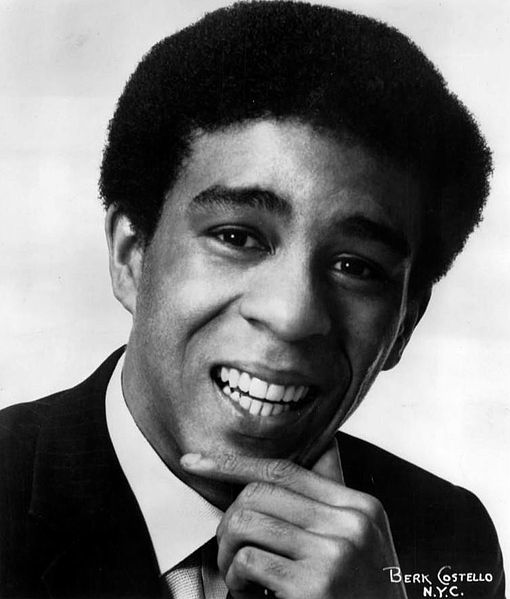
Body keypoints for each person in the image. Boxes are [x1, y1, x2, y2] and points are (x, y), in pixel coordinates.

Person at [0, 1, 505, 598]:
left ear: (403, 328)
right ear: (131, 255)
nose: (292, 316)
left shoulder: (447, 537)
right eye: (237, 238)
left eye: (356, 267)